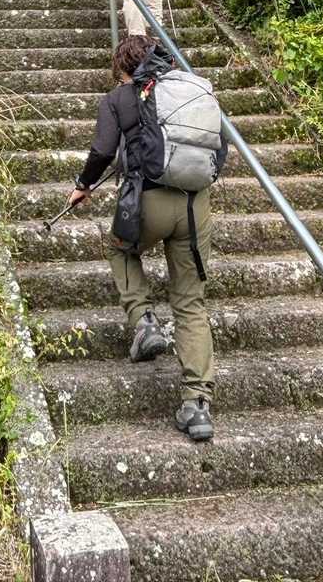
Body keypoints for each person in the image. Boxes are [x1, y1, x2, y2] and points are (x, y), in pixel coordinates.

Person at [67, 34, 217, 442]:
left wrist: (83, 185)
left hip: (147, 204)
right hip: (195, 207)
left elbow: (102, 150)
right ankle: (197, 405)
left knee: (120, 249)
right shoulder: (191, 91)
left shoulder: (119, 98)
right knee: (190, 303)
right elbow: (217, 150)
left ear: (124, 69)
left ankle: (144, 320)